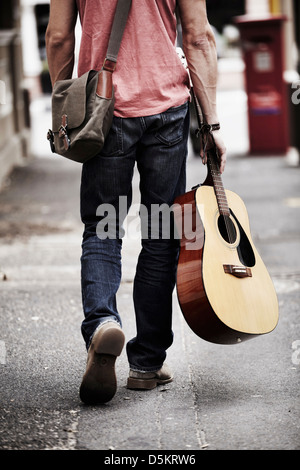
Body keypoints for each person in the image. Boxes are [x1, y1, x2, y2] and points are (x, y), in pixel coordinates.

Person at [46, 0, 226, 405]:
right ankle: (146, 362)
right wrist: (211, 125)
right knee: (161, 234)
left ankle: (102, 324)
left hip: (103, 112)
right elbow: (198, 37)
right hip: (166, 111)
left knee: (104, 229)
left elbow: (58, 37)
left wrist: (63, 110)